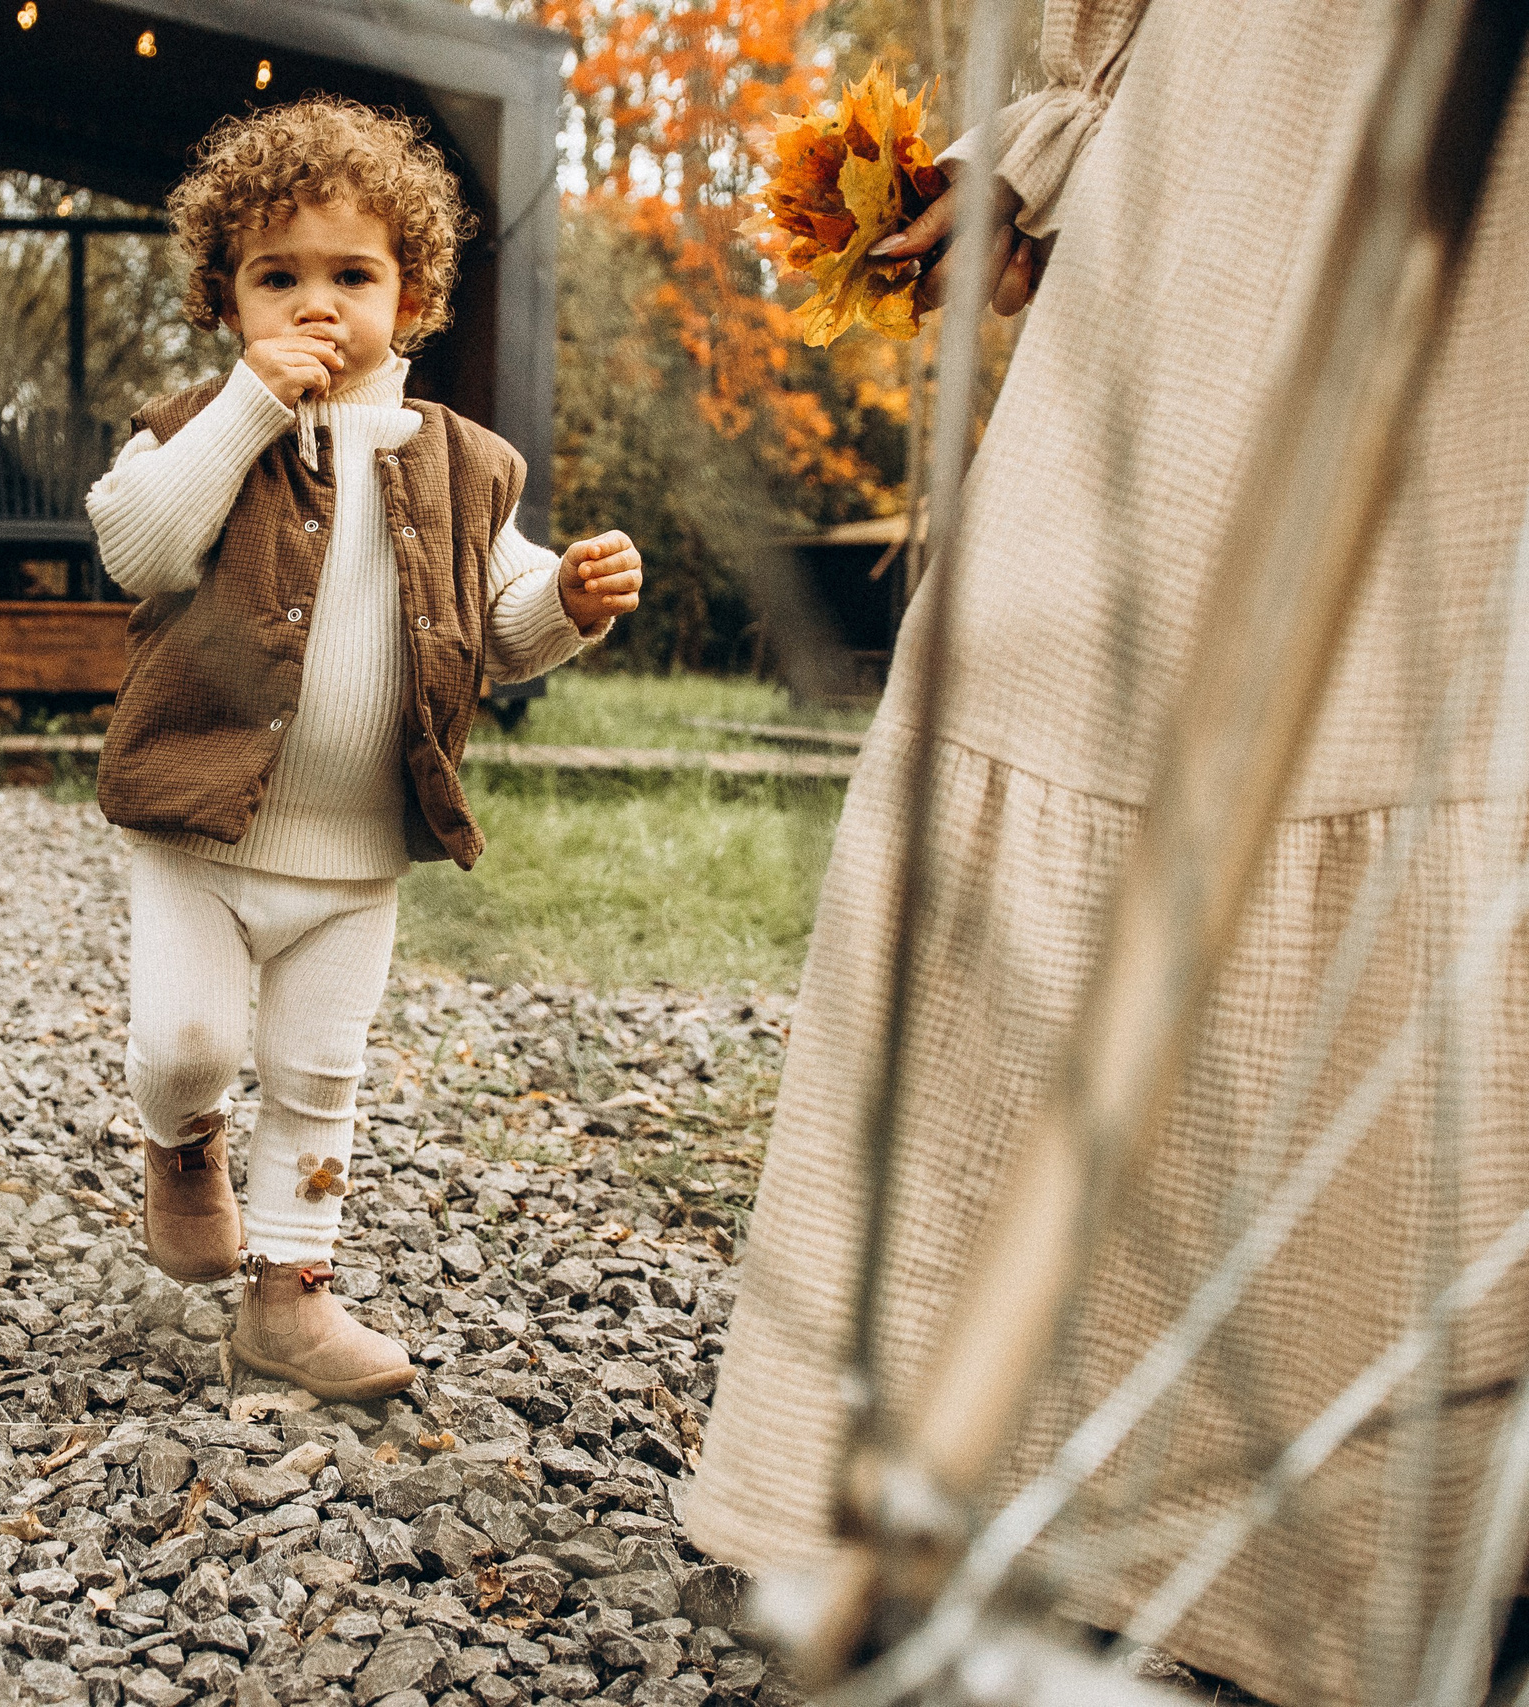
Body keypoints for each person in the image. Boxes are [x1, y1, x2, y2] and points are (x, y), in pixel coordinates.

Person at [691, 4, 1529, 1703]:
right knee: (1089, 643)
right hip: (1280, 100)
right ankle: (990, 1448)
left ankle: (1415, 1534)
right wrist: (1058, 130)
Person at [85, 96, 642, 1403]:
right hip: (196, 830)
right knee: (186, 1044)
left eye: (353, 274)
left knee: (323, 1076)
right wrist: (244, 410)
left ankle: (293, 1297)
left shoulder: (463, 465)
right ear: (226, 299)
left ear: (414, 294)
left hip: (360, 852)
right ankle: (182, 1142)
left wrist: (569, 601)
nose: (315, 305)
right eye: (278, 278)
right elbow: (142, 549)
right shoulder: (189, 433)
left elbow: (496, 633)